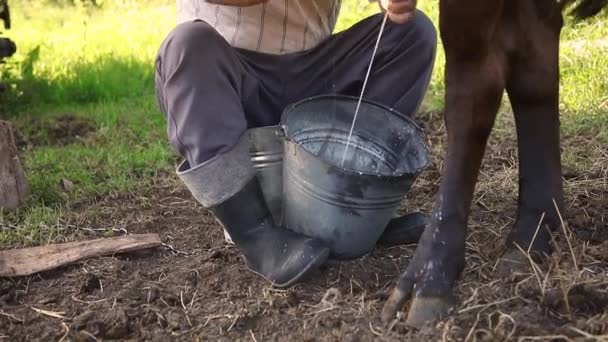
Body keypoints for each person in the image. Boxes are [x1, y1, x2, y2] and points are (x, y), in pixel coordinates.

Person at [154, 0, 437, 288]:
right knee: (187, 46)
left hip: (315, 70)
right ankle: (255, 233)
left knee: (412, 34)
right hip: (227, 74)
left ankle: (355, 211)